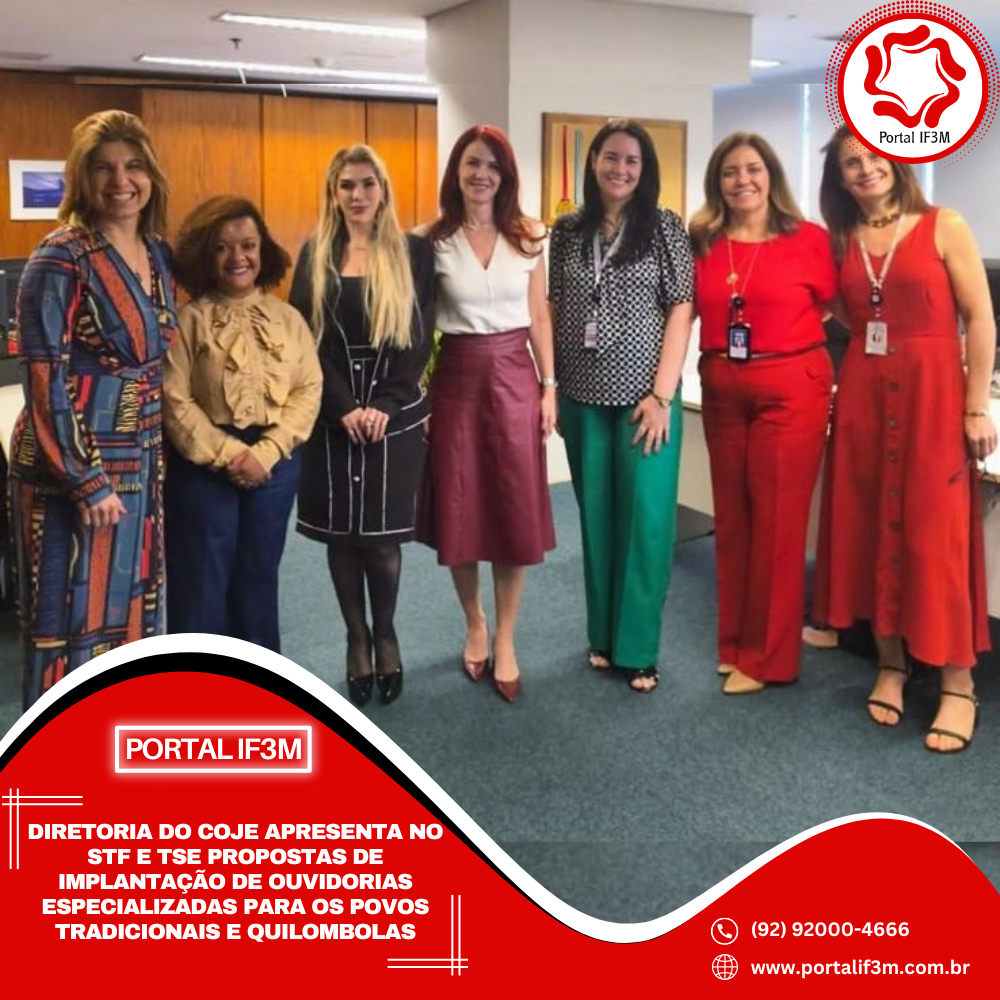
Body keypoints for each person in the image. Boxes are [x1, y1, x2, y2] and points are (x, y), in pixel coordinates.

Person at [814, 127, 996, 752]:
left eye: (874, 155)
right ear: (840, 180)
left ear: (896, 160)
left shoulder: (945, 225)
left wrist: (975, 406)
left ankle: (958, 682)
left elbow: (981, 318)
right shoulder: (843, 239)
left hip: (933, 396)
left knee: (936, 536)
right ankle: (891, 661)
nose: (865, 168)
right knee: (870, 524)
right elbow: (844, 308)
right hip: (864, 395)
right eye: (850, 163)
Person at [8, 109, 178, 708]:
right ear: (81, 177)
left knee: (132, 612)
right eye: (103, 168)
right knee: (69, 620)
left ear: (151, 175)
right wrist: (85, 479)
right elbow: (43, 374)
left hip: (141, 461)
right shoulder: (60, 256)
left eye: (134, 166)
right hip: (74, 472)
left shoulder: (156, 252)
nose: (120, 181)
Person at [549, 118, 694, 693]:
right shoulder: (567, 231)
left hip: (644, 402)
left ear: (645, 169)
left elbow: (682, 308)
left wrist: (662, 395)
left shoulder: (664, 227)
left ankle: (638, 648)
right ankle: (603, 638)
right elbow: (554, 307)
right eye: (611, 157)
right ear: (593, 162)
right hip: (582, 398)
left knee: (646, 526)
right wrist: (552, 384)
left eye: (632, 160)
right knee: (597, 521)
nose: (620, 169)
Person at [689, 132, 836, 695]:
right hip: (723, 388)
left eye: (753, 168)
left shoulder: (808, 239)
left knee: (777, 523)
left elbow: (833, 307)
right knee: (733, 520)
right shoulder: (704, 241)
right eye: (730, 172)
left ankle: (769, 658)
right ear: (717, 182)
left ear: (771, 175)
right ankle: (735, 643)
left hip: (790, 390)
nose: (742, 180)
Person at [416, 124, 556, 704]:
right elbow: (420, 325)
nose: (482, 175)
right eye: (472, 163)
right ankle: (474, 621)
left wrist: (549, 387)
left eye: (493, 166)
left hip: (516, 378)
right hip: (455, 379)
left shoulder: (530, 236)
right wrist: (418, 395)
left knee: (512, 509)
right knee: (461, 506)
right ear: (457, 171)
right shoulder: (430, 241)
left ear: (506, 175)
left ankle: (505, 636)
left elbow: (539, 315)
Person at [290, 145, 434, 706]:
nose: (358, 195)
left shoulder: (413, 253)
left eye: (367, 184)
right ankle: (356, 639)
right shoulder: (315, 254)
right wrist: (344, 406)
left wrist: (386, 405)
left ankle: (386, 634)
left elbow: (418, 338)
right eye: (347, 185)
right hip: (334, 417)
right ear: (334, 192)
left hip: (391, 417)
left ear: (383, 190)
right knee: (342, 539)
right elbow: (306, 339)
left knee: (380, 540)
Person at [163, 196, 321, 653]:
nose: (238, 257)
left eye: (248, 245)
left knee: (258, 576)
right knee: (201, 582)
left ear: (262, 251)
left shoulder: (288, 319)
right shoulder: (186, 322)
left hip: (274, 465)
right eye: (222, 247)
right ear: (204, 254)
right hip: (203, 466)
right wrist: (231, 453)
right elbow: (174, 400)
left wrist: (266, 452)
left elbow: (308, 389)